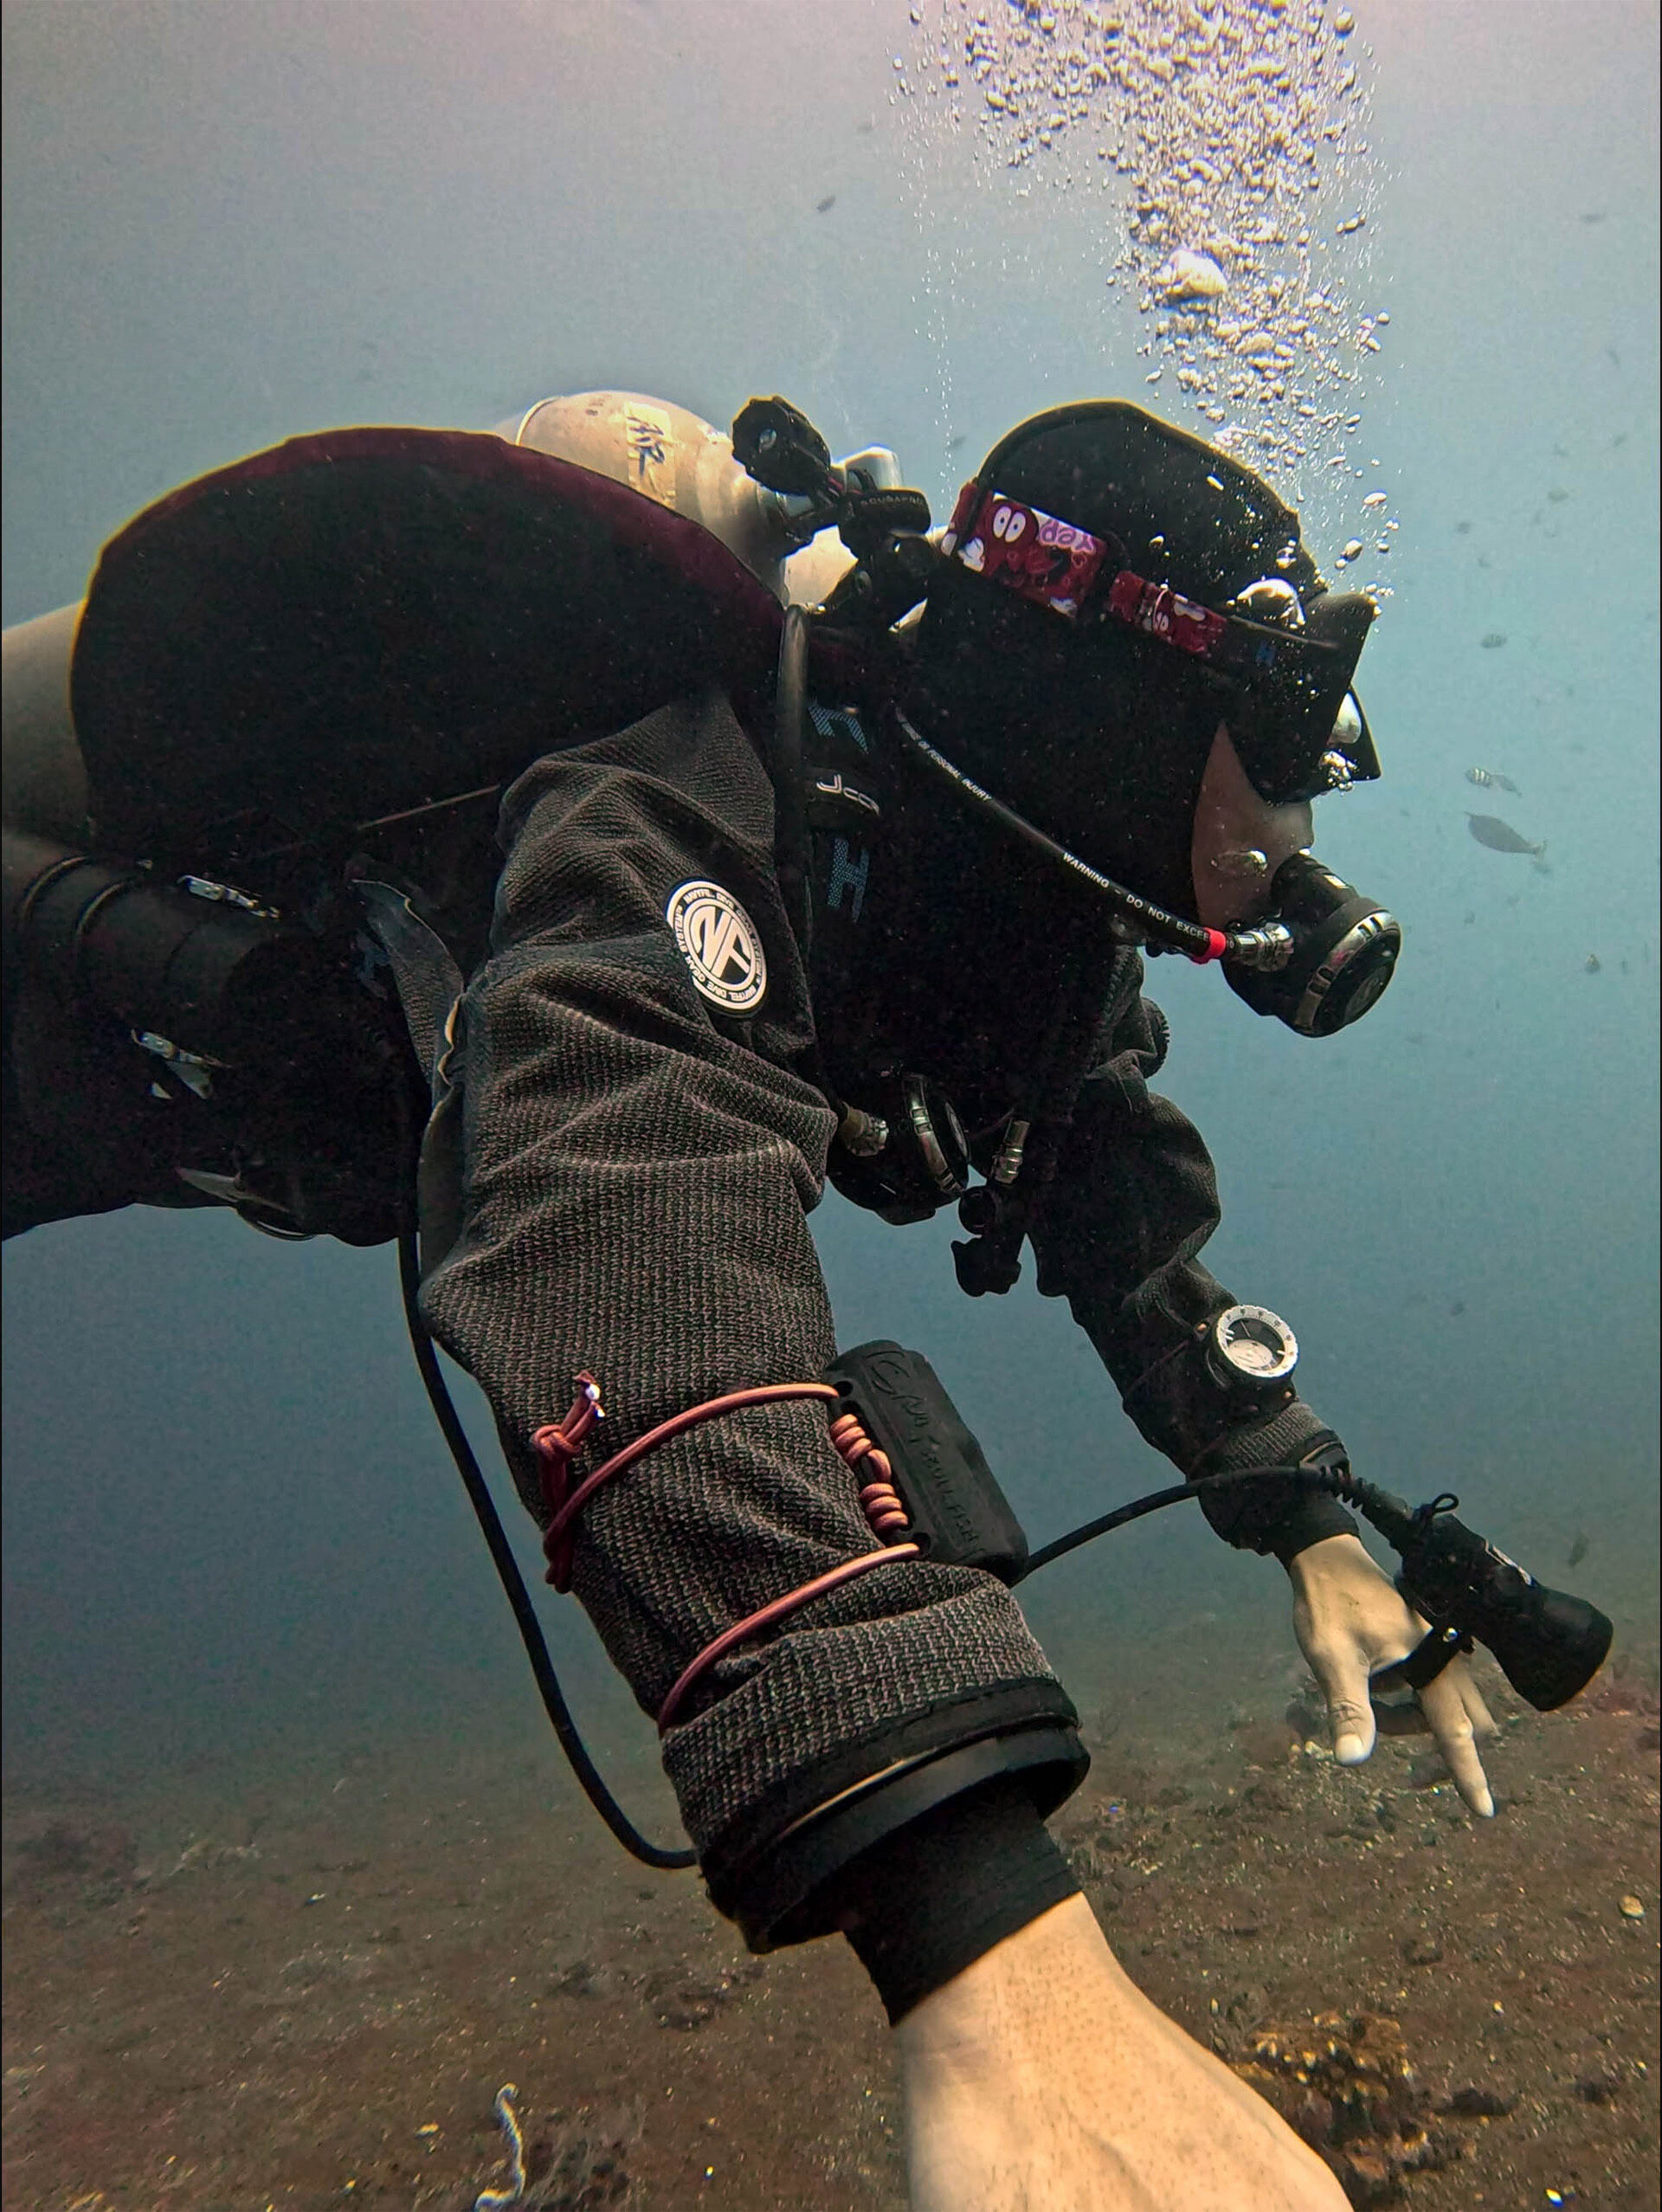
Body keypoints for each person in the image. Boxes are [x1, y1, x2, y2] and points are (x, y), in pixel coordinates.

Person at [3, 391, 1504, 2209]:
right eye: (1269, 738)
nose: (1298, 811)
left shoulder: (1022, 920)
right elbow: (619, 1197)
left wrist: (1303, 1515)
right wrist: (982, 1934)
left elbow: (1108, 1189)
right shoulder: (688, 782)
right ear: (1103, 697)